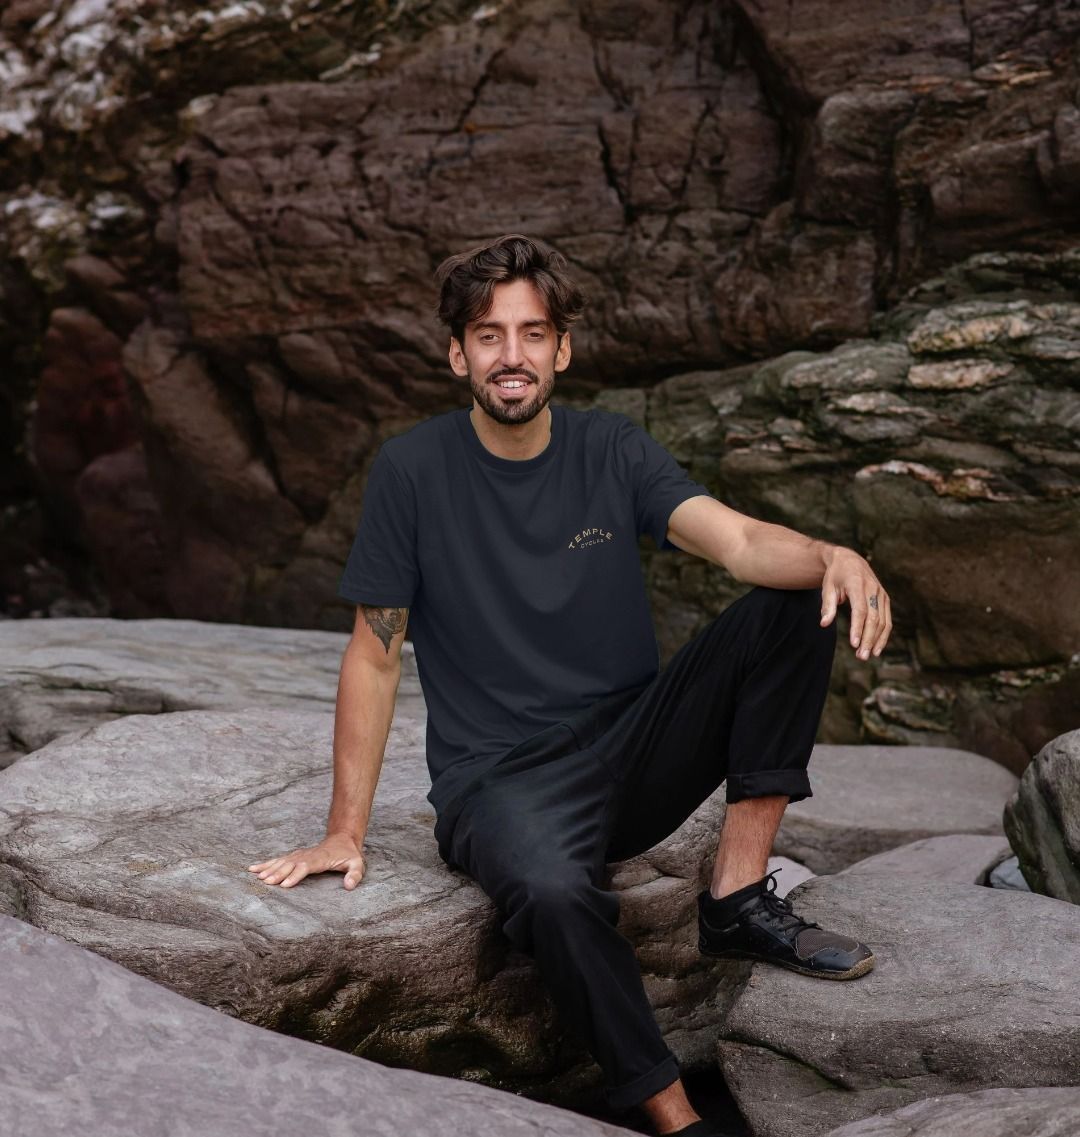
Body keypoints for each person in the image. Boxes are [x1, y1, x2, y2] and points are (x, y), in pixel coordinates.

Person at [248, 234, 892, 1137]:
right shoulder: (411, 472)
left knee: (795, 601)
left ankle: (737, 899)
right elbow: (375, 653)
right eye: (488, 335)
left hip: (632, 748)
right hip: (499, 783)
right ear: (456, 353)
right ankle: (677, 1115)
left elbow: (739, 543)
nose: (511, 355)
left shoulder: (612, 450)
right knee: (553, 893)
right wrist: (342, 830)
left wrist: (833, 553)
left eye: (531, 333)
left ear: (563, 349)